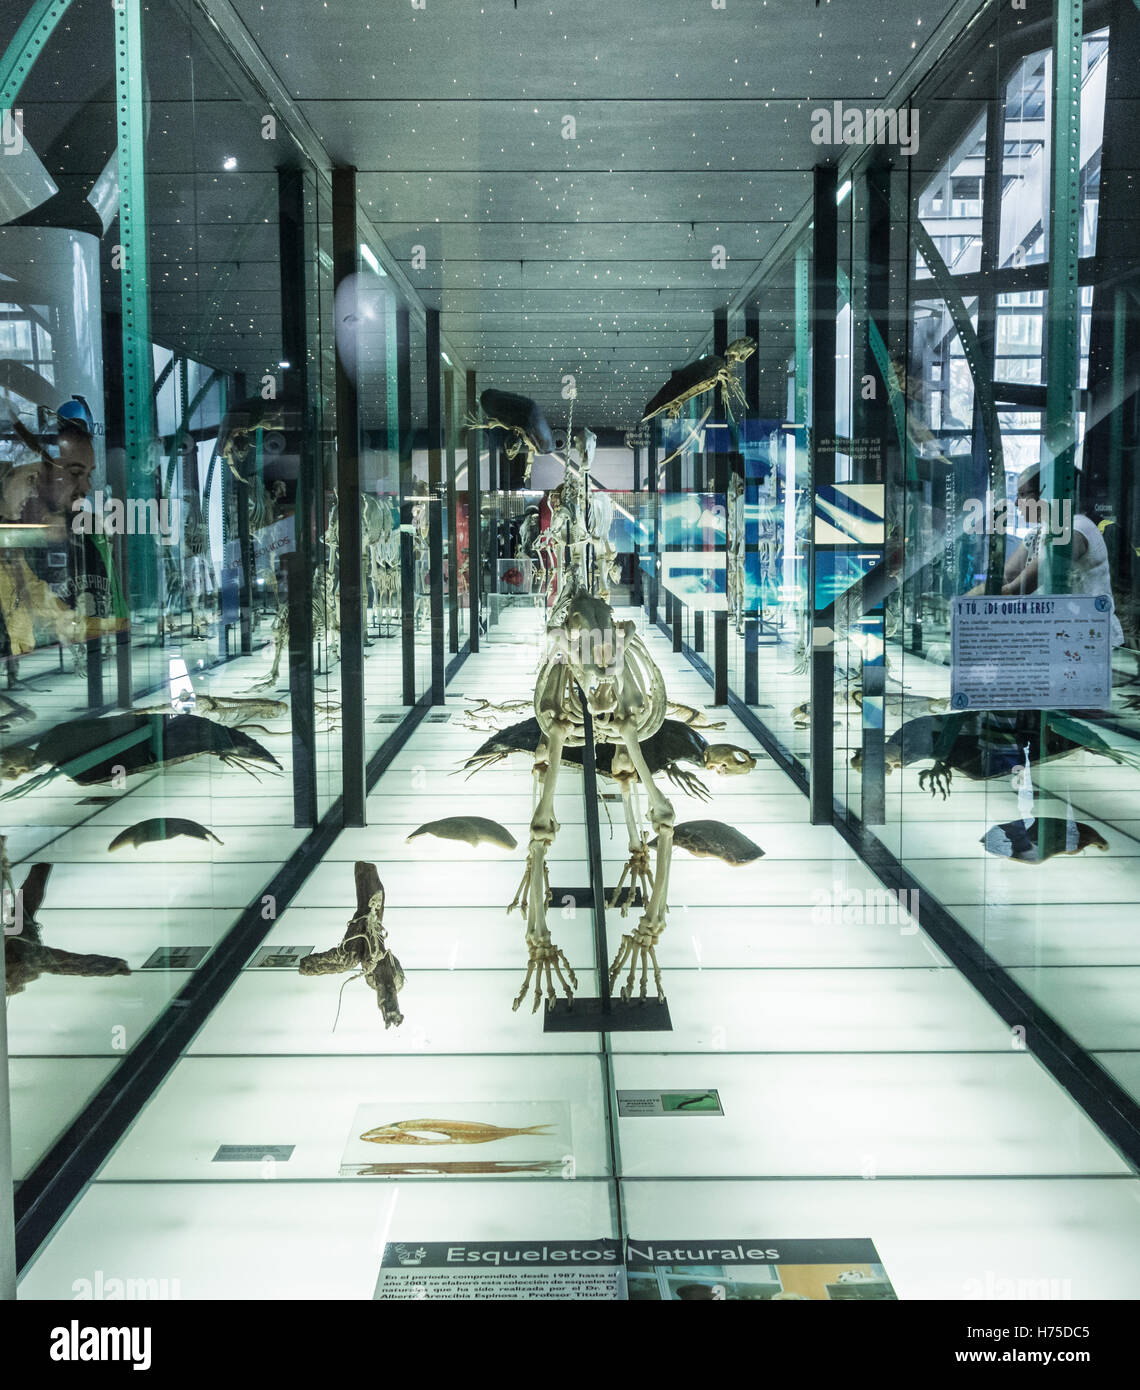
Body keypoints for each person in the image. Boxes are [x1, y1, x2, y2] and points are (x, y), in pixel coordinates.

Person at [977, 464, 1124, 646]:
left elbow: (1018, 587)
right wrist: (963, 601)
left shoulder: (1075, 530)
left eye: (1023, 495)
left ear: (1046, 494)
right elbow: (1004, 578)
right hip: (1064, 639)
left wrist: (968, 609)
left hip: (1094, 644)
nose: (1016, 503)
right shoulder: (1037, 533)